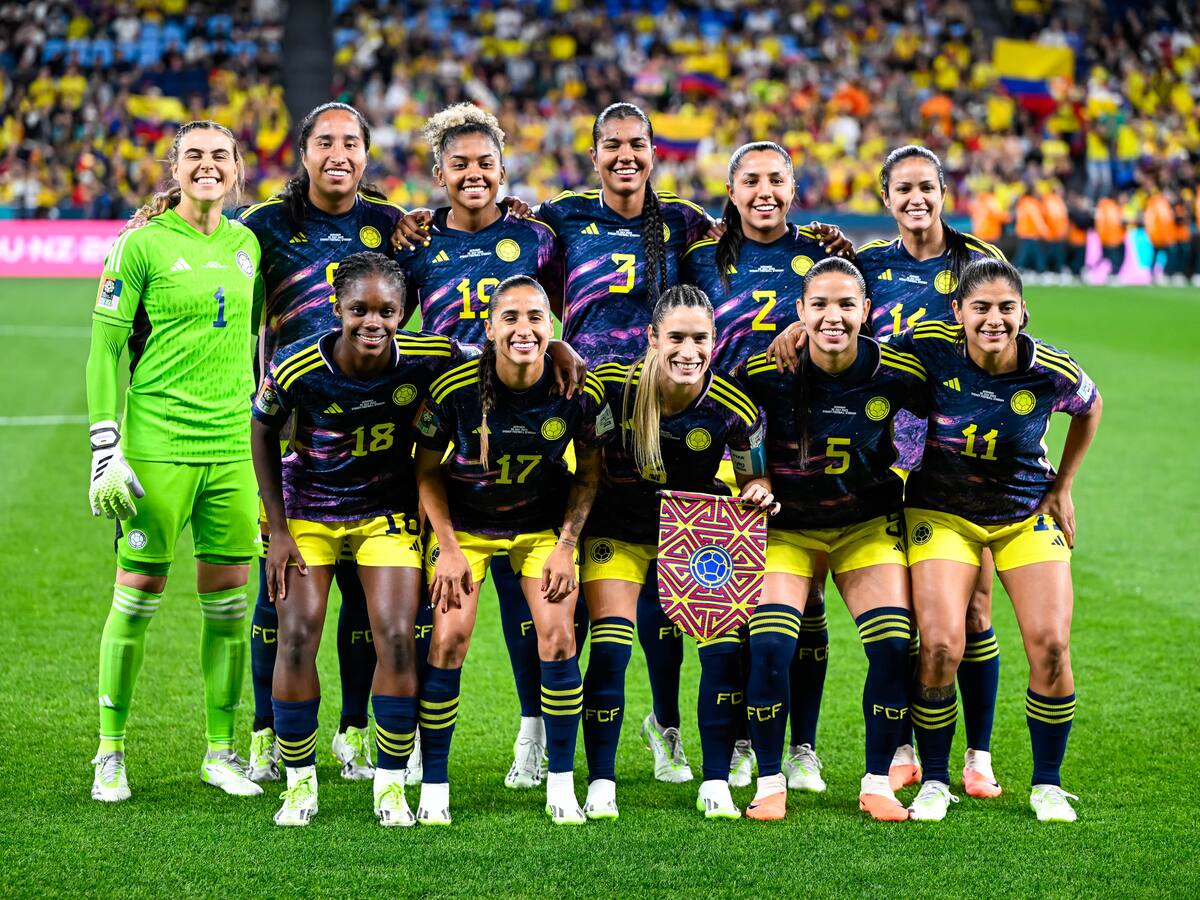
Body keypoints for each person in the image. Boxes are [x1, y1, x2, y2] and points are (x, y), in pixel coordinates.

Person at [771, 145, 1009, 799]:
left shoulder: (979, 263)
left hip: (955, 456)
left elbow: (1008, 350)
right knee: (907, 609)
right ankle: (902, 744)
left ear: (943, 190)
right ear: (886, 198)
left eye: (926, 187)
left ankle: (978, 755)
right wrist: (797, 333)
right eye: (902, 189)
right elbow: (831, 319)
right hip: (881, 454)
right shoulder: (869, 266)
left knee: (972, 607)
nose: (915, 200)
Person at [86, 120, 263, 802]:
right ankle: (110, 752)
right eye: (194, 156)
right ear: (175, 168)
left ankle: (220, 753)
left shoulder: (248, 244)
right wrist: (107, 446)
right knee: (136, 600)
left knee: (227, 607)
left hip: (230, 452)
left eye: (220, 156)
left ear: (238, 169)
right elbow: (104, 350)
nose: (208, 166)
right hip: (158, 447)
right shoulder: (140, 245)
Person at [891, 258, 1101, 822]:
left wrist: (1065, 485)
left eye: (1006, 308)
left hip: (1024, 513)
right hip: (942, 512)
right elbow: (856, 355)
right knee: (938, 645)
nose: (994, 319)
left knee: (1052, 646)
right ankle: (935, 780)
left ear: (1023, 312)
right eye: (980, 308)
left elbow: (1091, 404)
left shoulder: (1050, 371)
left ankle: (1047, 783)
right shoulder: (927, 350)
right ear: (957, 312)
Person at [239, 102, 409, 785]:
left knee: (365, 599)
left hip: (370, 430)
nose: (338, 153)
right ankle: (264, 731)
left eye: (350, 142)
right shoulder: (265, 227)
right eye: (324, 141)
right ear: (303, 151)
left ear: (366, 154)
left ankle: (353, 730)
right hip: (290, 432)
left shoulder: (391, 226)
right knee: (279, 595)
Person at [399, 103, 567, 790]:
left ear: (504, 169)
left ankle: (532, 736)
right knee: (429, 596)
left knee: (524, 601)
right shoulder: (413, 241)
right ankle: (408, 737)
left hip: (524, 432)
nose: (474, 173)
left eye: (485, 163)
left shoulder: (536, 239)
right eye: (460, 164)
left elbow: (561, 310)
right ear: (439, 172)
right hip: (445, 433)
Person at [413, 276, 609, 826]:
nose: (524, 329)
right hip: (466, 529)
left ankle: (561, 785)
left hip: (540, 526)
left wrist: (567, 545)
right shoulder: (453, 388)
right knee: (448, 638)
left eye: (535, 319)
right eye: (511, 318)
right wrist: (447, 547)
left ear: (552, 327)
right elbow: (426, 471)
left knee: (559, 634)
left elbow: (590, 475)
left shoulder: (579, 390)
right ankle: (433, 785)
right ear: (490, 328)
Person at [738, 257, 927, 822]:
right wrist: (756, 477)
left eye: (846, 304)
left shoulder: (897, 371)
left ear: (866, 311)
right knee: (771, 646)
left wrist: (898, 478)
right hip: (786, 531)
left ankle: (876, 782)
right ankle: (769, 782)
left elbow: (920, 433)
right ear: (799, 311)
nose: (833, 316)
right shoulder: (763, 372)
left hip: (863, 528)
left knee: (894, 644)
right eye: (819, 304)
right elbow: (743, 434)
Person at [579, 284, 772, 821]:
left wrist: (756, 491)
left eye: (700, 339)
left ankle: (714, 782)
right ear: (651, 339)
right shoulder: (612, 389)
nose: (689, 351)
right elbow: (582, 458)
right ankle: (600, 783)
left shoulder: (734, 405)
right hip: (616, 532)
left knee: (720, 653)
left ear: (715, 341)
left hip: (696, 533)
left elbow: (755, 477)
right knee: (612, 652)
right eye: (677, 338)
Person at [681, 141, 839, 792]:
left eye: (777, 179)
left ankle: (802, 744)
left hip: (802, 447)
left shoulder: (822, 257)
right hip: (719, 445)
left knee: (804, 599)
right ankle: (742, 740)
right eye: (751, 180)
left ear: (795, 188)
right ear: (731, 188)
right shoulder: (700, 259)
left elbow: (848, 323)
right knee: (727, 605)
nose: (764, 190)